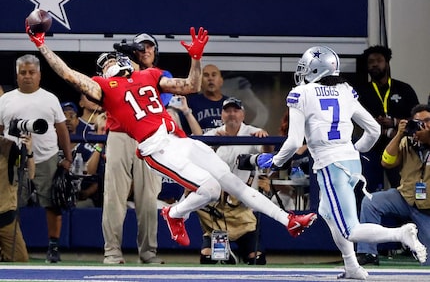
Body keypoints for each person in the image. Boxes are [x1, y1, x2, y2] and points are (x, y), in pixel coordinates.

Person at [26, 25, 317, 251]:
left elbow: (191, 85)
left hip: (181, 141)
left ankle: (288, 220)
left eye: (112, 59)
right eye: (106, 63)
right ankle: (175, 213)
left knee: (233, 184)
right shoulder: (104, 86)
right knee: (212, 189)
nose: (111, 63)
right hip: (156, 147)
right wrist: (42, 45)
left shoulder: (149, 75)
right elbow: (68, 75)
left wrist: (196, 57)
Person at [256, 46, 427, 280]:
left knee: (350, 229)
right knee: (327, 212)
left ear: (316, 69)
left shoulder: (301, 93)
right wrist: (354, 149)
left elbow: (294, 140)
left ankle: (400, 234)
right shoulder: (345, 90)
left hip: (331, 166)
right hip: (351, 163)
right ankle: (352, 266)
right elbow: (374, 129)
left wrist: (275, 162)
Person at [100, 33, 170, 264]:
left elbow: (163, 101)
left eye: (150, 47)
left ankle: (148, 254)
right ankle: (112, 252)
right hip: (119, 133)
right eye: (140, 47)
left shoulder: (159, 75)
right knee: (114, 196)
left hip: (149, 135)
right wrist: (115, 66)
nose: (145, 51)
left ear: (155, 51)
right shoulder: (117, 69)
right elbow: (96, 94)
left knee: (149, 197)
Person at [0, 54, 73, 263]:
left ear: (39, 75)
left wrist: (67, 158)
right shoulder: (5, 100)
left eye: (31, 72)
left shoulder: (49, 98)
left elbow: (62, 130)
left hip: (46, 157)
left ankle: (53, 247)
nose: (27, 76)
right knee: (12, 205)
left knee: (52, 203)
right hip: (13, 161)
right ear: (17, 75)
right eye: (23, 72)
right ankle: (14, 246)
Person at [197, 97, 271, 265]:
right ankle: (224, 252)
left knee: (257, 259)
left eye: (235, 110)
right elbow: (197, 162)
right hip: (218, 210)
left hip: (244, 209)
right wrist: (214, 144)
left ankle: (238, 252)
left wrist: (265, 141)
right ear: (222, 115)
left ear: (243, 114)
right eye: (227, 111)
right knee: (209, 259)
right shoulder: (212, 135)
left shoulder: (253, 132)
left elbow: (268, 156)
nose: (231, 114)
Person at [357, 104, 430, 266]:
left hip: (428, 209)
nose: (423, 125)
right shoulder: (407, 142)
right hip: (405, 198)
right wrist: (399, 135)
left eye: (427, 121)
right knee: (371, 201)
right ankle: (368, 252)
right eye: (418, 122)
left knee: (427, 261)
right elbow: (387, 162)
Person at [355, 45, 419, 195]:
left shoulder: (403, 88)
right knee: (367, 190)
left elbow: (417, 119)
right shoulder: (361, 92)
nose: (375, 64)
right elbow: (354, 121)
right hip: (371, 148)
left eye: (379, 60)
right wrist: (379, 128)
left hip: (401, 147)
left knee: (403, 188)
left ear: (387, 63)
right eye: (371, 62)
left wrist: (395, 123)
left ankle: (405, 217)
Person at [0, 134, 34, 262]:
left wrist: (29, 152)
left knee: (20, 260)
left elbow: (31, 175)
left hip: (5, 215)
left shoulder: (8, 146)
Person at [183, 64, 229, 134]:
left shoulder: (231, 103)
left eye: (214, 75)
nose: (210, 78)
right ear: (200, 82)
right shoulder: (191, 103)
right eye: (206, 75)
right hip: (200, 144)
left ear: (221, 81)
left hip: (227, 144)